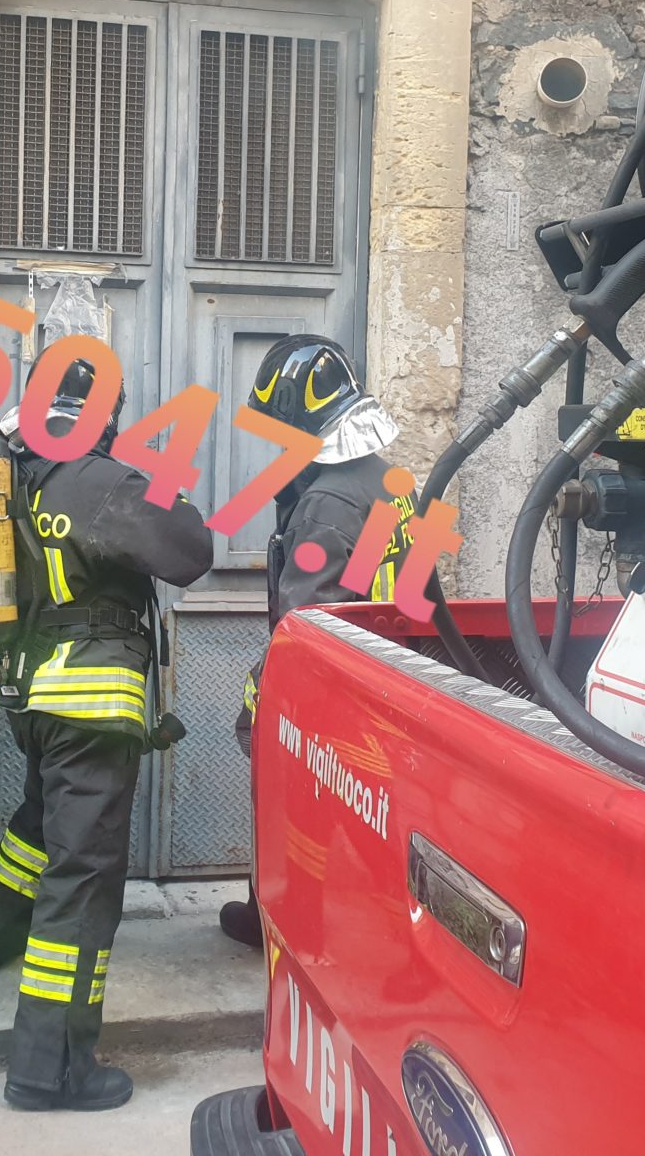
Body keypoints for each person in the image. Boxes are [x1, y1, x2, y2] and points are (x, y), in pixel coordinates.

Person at [0, 360, 214, 1111]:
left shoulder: (14, 474)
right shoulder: (99, 480)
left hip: (33, 701)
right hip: (93, 707)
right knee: (82, 883)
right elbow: (192, 549)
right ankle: (50, 1070)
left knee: (38, 826)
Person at [221, 335, 415, 950]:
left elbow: (308, 626)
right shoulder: (388, 480)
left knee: (297, 814)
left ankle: (291, 928)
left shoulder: (327, 502)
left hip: (331, 693)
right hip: (386, 677)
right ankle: (282, 915)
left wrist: (271, 699)